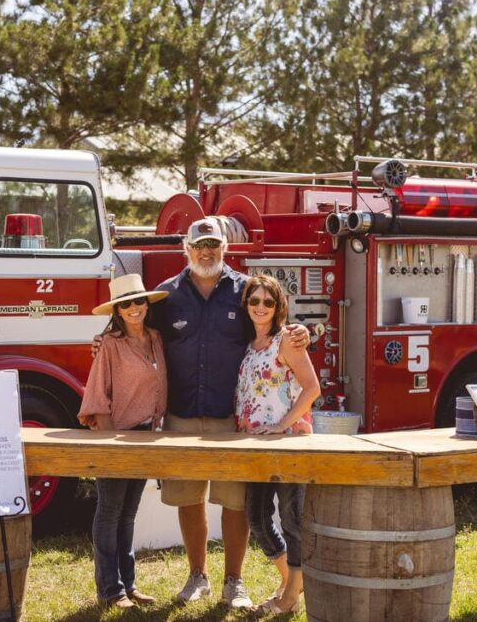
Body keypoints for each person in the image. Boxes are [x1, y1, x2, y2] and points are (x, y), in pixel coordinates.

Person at [148, 217, 310, 607]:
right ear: (186, 249)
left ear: (225, 248)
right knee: (189, 498)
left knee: (234, 502)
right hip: (181, 414)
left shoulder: (244, 291)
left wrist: (302, 330)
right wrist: (105, 341)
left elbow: (271, 323)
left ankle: (233, 582)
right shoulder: (166, 295)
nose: (206, 252)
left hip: (231, 419)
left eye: (213, 245)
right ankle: (197, 576)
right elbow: (139, 336)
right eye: (199, 245)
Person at [78, 274, 169, 609]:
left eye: (138, 301)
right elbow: (97, 394)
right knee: (110, 510)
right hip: (116, 434)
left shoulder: (156, 338)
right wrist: (109, 443)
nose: (134, 308)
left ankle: (128, 585)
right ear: (117, 310)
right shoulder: (110, 344)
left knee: (129, 512)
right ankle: (110, 590)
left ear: (147, 304)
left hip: (146, 435)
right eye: (126, 304)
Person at [235, 274, 320, 615]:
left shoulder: (287, 340)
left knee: (292, 520)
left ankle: (289, 597)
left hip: (288, 444)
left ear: (278, 306)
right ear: (246, 305)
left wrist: (282, 426)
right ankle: (291, 584)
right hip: (256, 446)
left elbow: (312, 388)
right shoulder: (249, 345)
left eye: (268, 302)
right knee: (256, 517)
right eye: (254, 300)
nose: (261, 307)